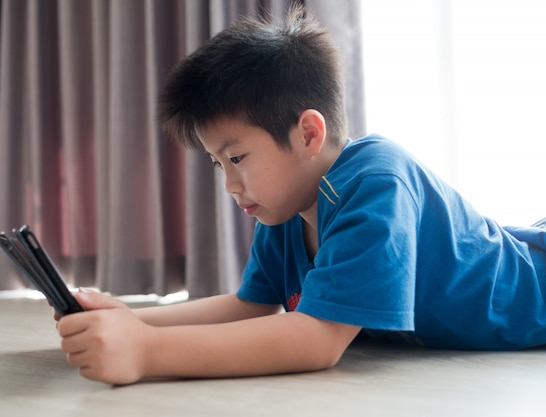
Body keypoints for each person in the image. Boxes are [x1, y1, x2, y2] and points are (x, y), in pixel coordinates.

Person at [55, 6, 546, 385]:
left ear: (308, 134)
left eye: (238, 158)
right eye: (217, 164)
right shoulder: (284, 206)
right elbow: (251, 306)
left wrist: (146, 352)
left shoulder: (376, 181)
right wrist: (133, 319)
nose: (229, 184)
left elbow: (318, 340)